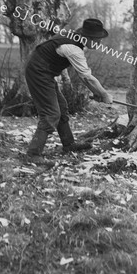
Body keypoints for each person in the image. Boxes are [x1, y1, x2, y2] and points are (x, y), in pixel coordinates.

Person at [24, 18, 113, 165]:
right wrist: (104, 94)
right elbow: (87, 78)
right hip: (38, 72)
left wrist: (97, 93)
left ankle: (69, 144)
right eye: (97, 40)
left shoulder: (74, 38)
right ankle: (33, 154)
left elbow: (86, 78)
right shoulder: (73, 48)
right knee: (51, 113)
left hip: (44, 72)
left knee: (62, 107)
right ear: (87, 37)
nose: (99, 44)